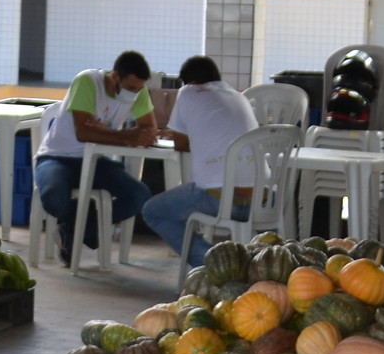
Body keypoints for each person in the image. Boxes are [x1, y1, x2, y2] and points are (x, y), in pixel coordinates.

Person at [33, 51, 161, 264]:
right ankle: (79, 226)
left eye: (139, 89)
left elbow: (148, 130)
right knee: (54, 197)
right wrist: (127, 136)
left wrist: (110, 133)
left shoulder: (139, 91)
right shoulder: (88, 81)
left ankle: (77, 228)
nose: (135, 93)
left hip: (97, 162)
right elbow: (83, 133)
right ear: (114, 77)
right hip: (57, 157)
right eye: (130, 88)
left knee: (139, 195)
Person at [140, 57, 260, 260]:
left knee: (153, 211)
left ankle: (212, 263)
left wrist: (183, 133)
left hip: (219, 198)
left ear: (191, 82)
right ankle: (225, 263)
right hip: (262, 199)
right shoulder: (239, 96)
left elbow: (181, 144)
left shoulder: (188, 92)